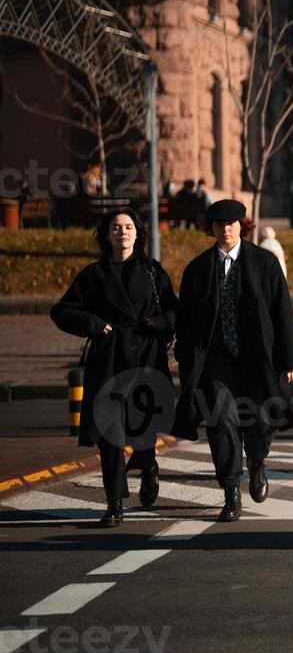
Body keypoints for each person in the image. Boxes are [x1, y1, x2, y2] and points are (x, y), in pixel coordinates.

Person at [173, 200, 293, 523]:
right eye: (219, 224)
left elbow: (283, 313)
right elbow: (186, 321)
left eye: (231, 224)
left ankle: (257, 462)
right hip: (218, 358)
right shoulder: (198, 269)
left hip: (258, 356)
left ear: (241, 226)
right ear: (212, 229)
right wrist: (185, 358)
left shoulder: (264, 263)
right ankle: (231, 489)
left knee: (259, 419)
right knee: (222, 419)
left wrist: (290, 359)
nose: (225, 229)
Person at [50, 208, 178, 527]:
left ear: (138, 233)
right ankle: (114, 503)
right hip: (107, 358)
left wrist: (160, 322)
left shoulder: (152, 270)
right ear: (106, 235)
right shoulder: (94, 274)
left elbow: (176, 311)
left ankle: (148, 467)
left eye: (128, 227)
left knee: (144, 428)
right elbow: (62, 310)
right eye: (116, 227)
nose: (123, 232)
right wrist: (93, 323)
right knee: (110, 434)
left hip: (146, 356)